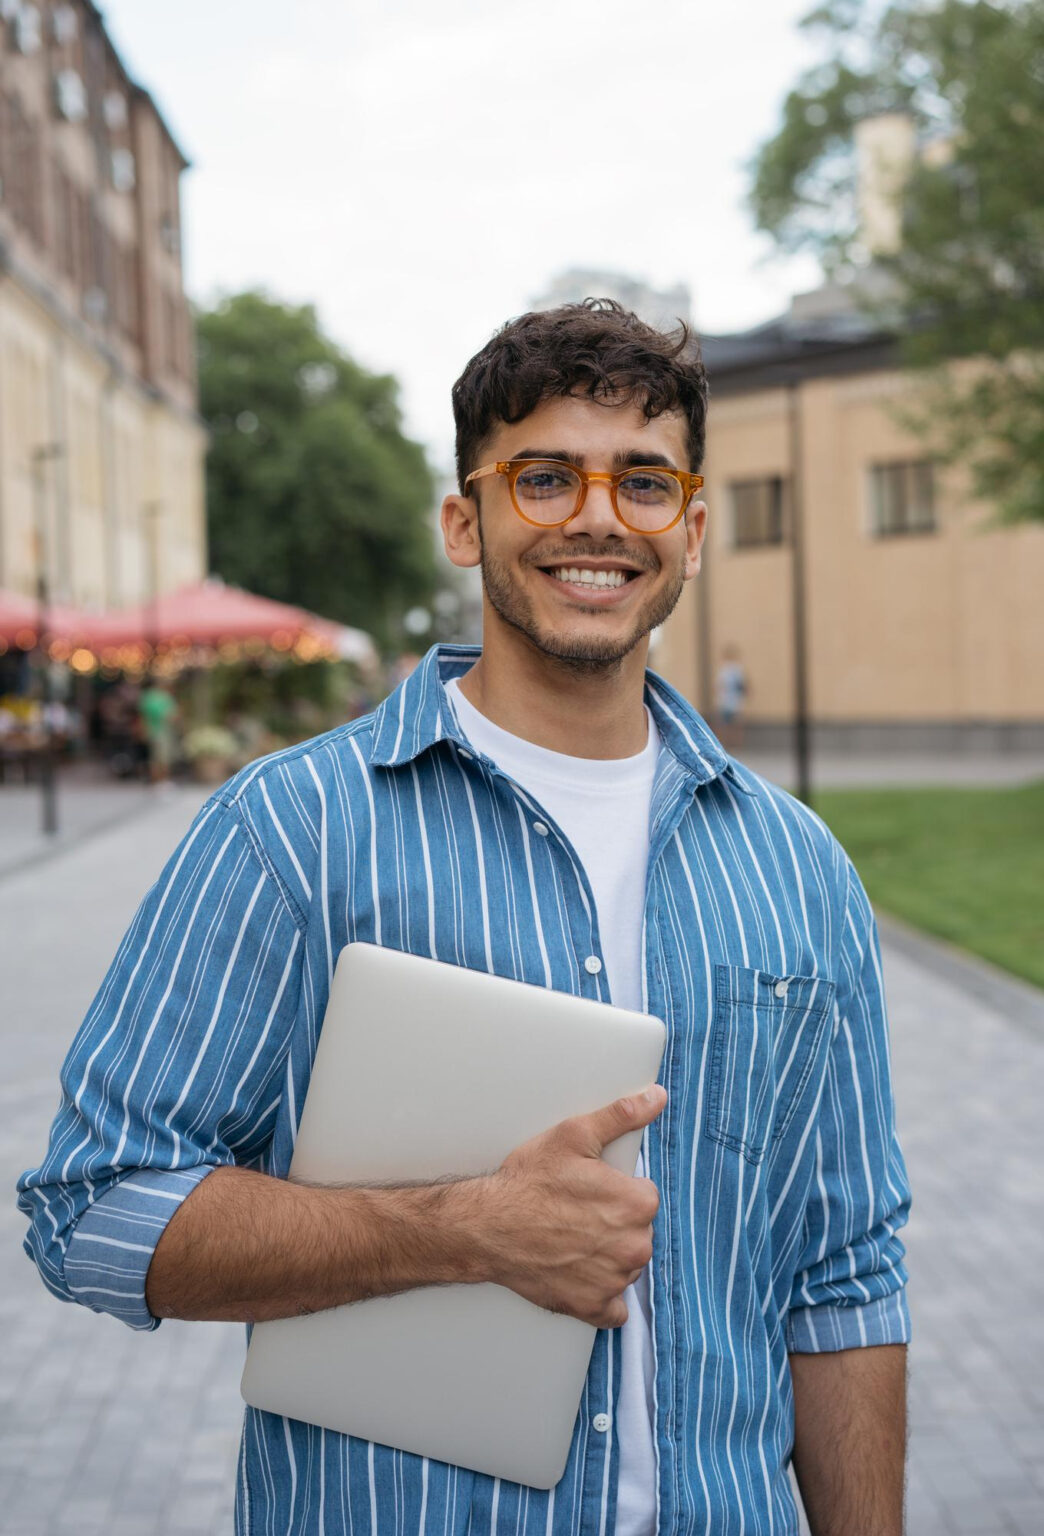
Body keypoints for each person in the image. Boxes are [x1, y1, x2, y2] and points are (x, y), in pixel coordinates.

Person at [18, 300, 910, 1536]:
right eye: (543, 477)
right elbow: (91, 1212)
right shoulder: (293, 830)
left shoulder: (800, 869)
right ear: (464, 518)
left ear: (692, 531)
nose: (598, 517)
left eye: (644, 484)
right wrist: (467, 1230)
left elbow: (845, 1273)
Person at [715, 644, 748, 751]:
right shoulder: (730, 670)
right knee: (729, 724)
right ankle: (733, 743)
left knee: (730, 724)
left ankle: (731, 743)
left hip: (730, 700)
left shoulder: (729, 670)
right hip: (729, 700)